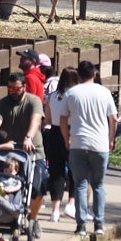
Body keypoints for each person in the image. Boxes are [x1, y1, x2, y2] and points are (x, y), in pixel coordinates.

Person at [60, 60, 118, 239]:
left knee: (80, 184)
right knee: (98, 184)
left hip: (79, 142)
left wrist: (66, 138)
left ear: (78, 75)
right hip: (100, 144)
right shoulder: (104, 92)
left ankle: (81, 224)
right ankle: (99, 223)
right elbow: (114, 119)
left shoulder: (71, 93)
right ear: (95, 74)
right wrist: (111, 139)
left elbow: (63, 119)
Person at [0, 72, 47, 238]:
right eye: (10, 88)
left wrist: (28, 137)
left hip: (32, 152)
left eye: (16, 88)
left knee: (36, 190)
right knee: (5, 187)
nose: (12, 91)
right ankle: (8, 220)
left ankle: (33, 219)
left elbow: (36, 120)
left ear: (24, 87)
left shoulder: (33, 101)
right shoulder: (2, 103)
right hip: (10, 152)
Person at [43, 67, 79, 223]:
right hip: (72, 133)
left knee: (56, 172)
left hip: (54, 134)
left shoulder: (52, 96)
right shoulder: (75, 96)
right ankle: (71, 203)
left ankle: (55, 210)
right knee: (75, 171)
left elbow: (48, 120)